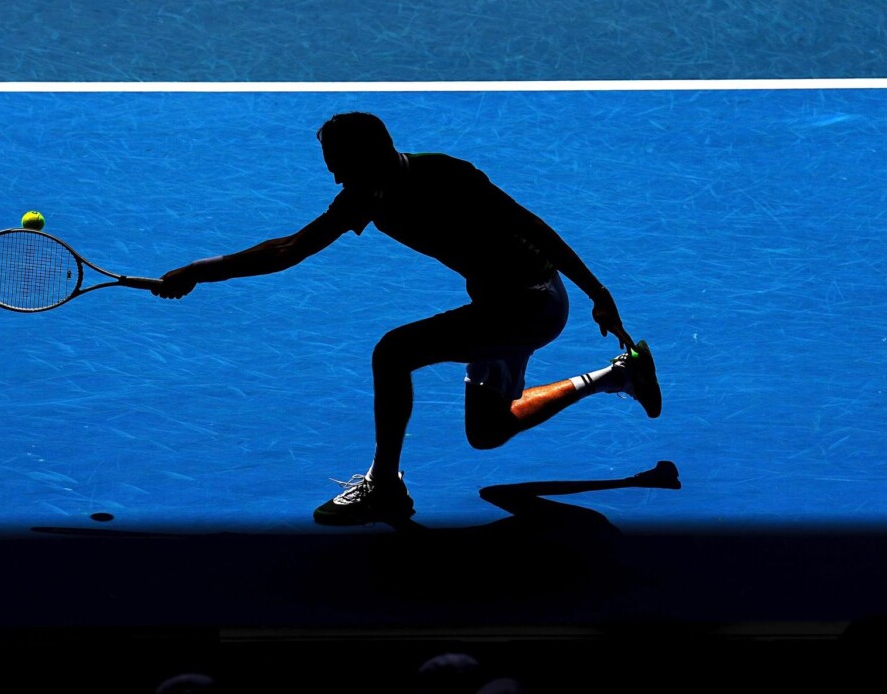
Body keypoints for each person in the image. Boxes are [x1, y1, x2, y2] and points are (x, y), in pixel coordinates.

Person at [152, 112, 661, 526]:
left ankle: (385, 485)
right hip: (497, 307)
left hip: (530, 303)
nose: (334, 176)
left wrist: (598, 293)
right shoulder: (365, 194)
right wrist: (200, 271)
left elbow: (532, 226)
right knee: (488, 431)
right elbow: (290, 249)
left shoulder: (448, 175)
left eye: (340, 165)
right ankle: (618, 373)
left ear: (371, 156)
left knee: (393, 352)